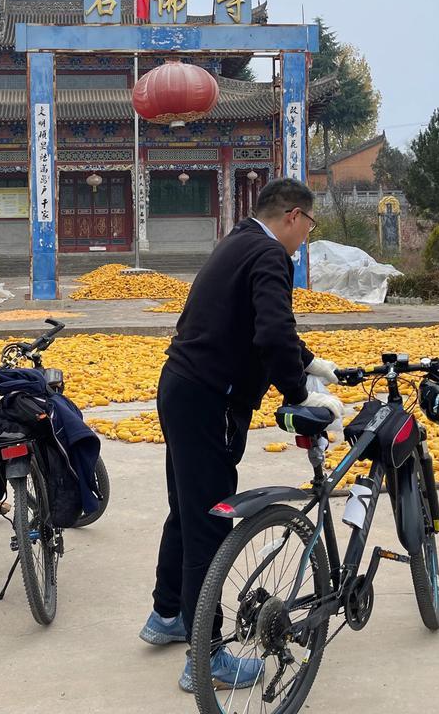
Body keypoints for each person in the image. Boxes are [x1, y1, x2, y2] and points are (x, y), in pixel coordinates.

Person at [139, 178, 345, 692]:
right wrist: (298, 393)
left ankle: (168, 615)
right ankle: (204, 659)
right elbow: (271, 332)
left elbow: (253, 327)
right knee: (210, 522)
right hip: (209, 398)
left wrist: (309, 362)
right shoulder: (273, 255)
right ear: (294, 216)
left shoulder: (237, 242)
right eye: (309, 226)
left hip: (182, 386)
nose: (305, 237)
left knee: (188, 507)